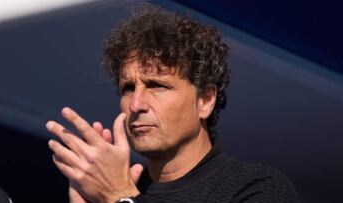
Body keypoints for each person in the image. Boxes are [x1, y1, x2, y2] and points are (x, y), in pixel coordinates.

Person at [46, 4, 298, 203]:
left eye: (157, 85)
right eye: (128, 88)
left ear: (205, 100)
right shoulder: (117, 189)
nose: (136, 104)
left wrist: (120, 197)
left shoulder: (256, 187)